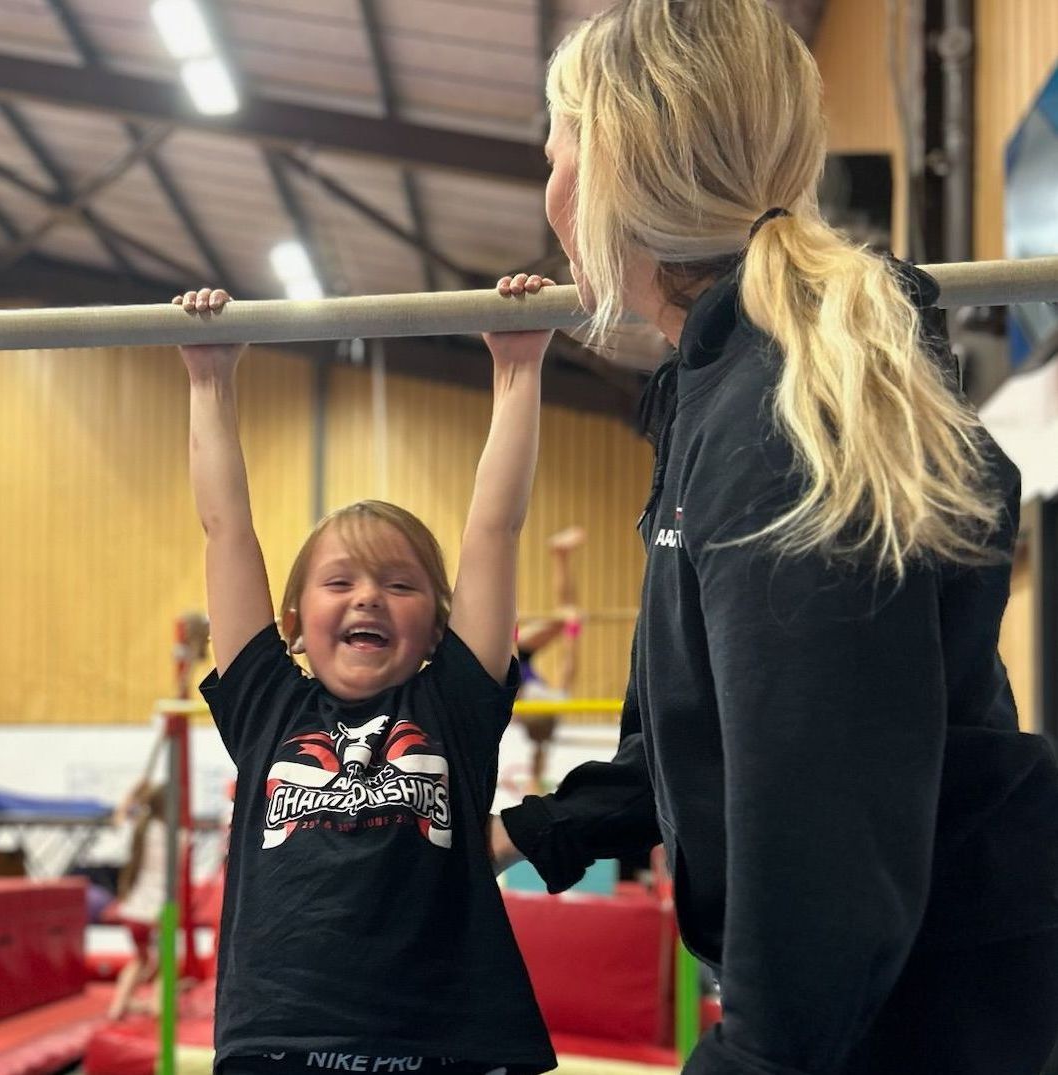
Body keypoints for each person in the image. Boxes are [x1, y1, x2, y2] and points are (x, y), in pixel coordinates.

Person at [487, 3, 1058, 1074]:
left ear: (607, 178)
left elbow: (820, 837)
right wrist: (522, 834)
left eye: (554, 151)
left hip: (910, 1011)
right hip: (884, 986)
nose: (548, 189)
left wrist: (750, 1054)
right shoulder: (722, 380)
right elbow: (705, 733)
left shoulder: (780, 418)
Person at [174, 275, 557, 1075]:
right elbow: (225, 530)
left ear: (436, 625)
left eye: (400, 584)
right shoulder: (266, 703)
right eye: (341, 581)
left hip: (439, 1038)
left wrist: (517, 370)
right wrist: (210, 378)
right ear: (293, 625)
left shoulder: (451, 700)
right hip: (282, 1033)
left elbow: (495, 528)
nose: (369, 597)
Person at [514, 526, 585, 792]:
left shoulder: (531, 705)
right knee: (568, 612)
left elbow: (569, 664)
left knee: (567, 613)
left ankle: (560, 555)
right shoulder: (527, 710)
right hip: (519, 655)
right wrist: (572, 630)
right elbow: (569, 664)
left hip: (514, 653)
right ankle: (560, 555)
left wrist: (572, 633)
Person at [106, 780, 166, 1020]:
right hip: (159, 909)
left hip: (133, 909)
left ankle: (117, 1007)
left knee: (140, 960)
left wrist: (133, 795)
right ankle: (157, 1006)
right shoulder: (176, 833)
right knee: (165, 963)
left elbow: (119, 819)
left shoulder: (142, 828)